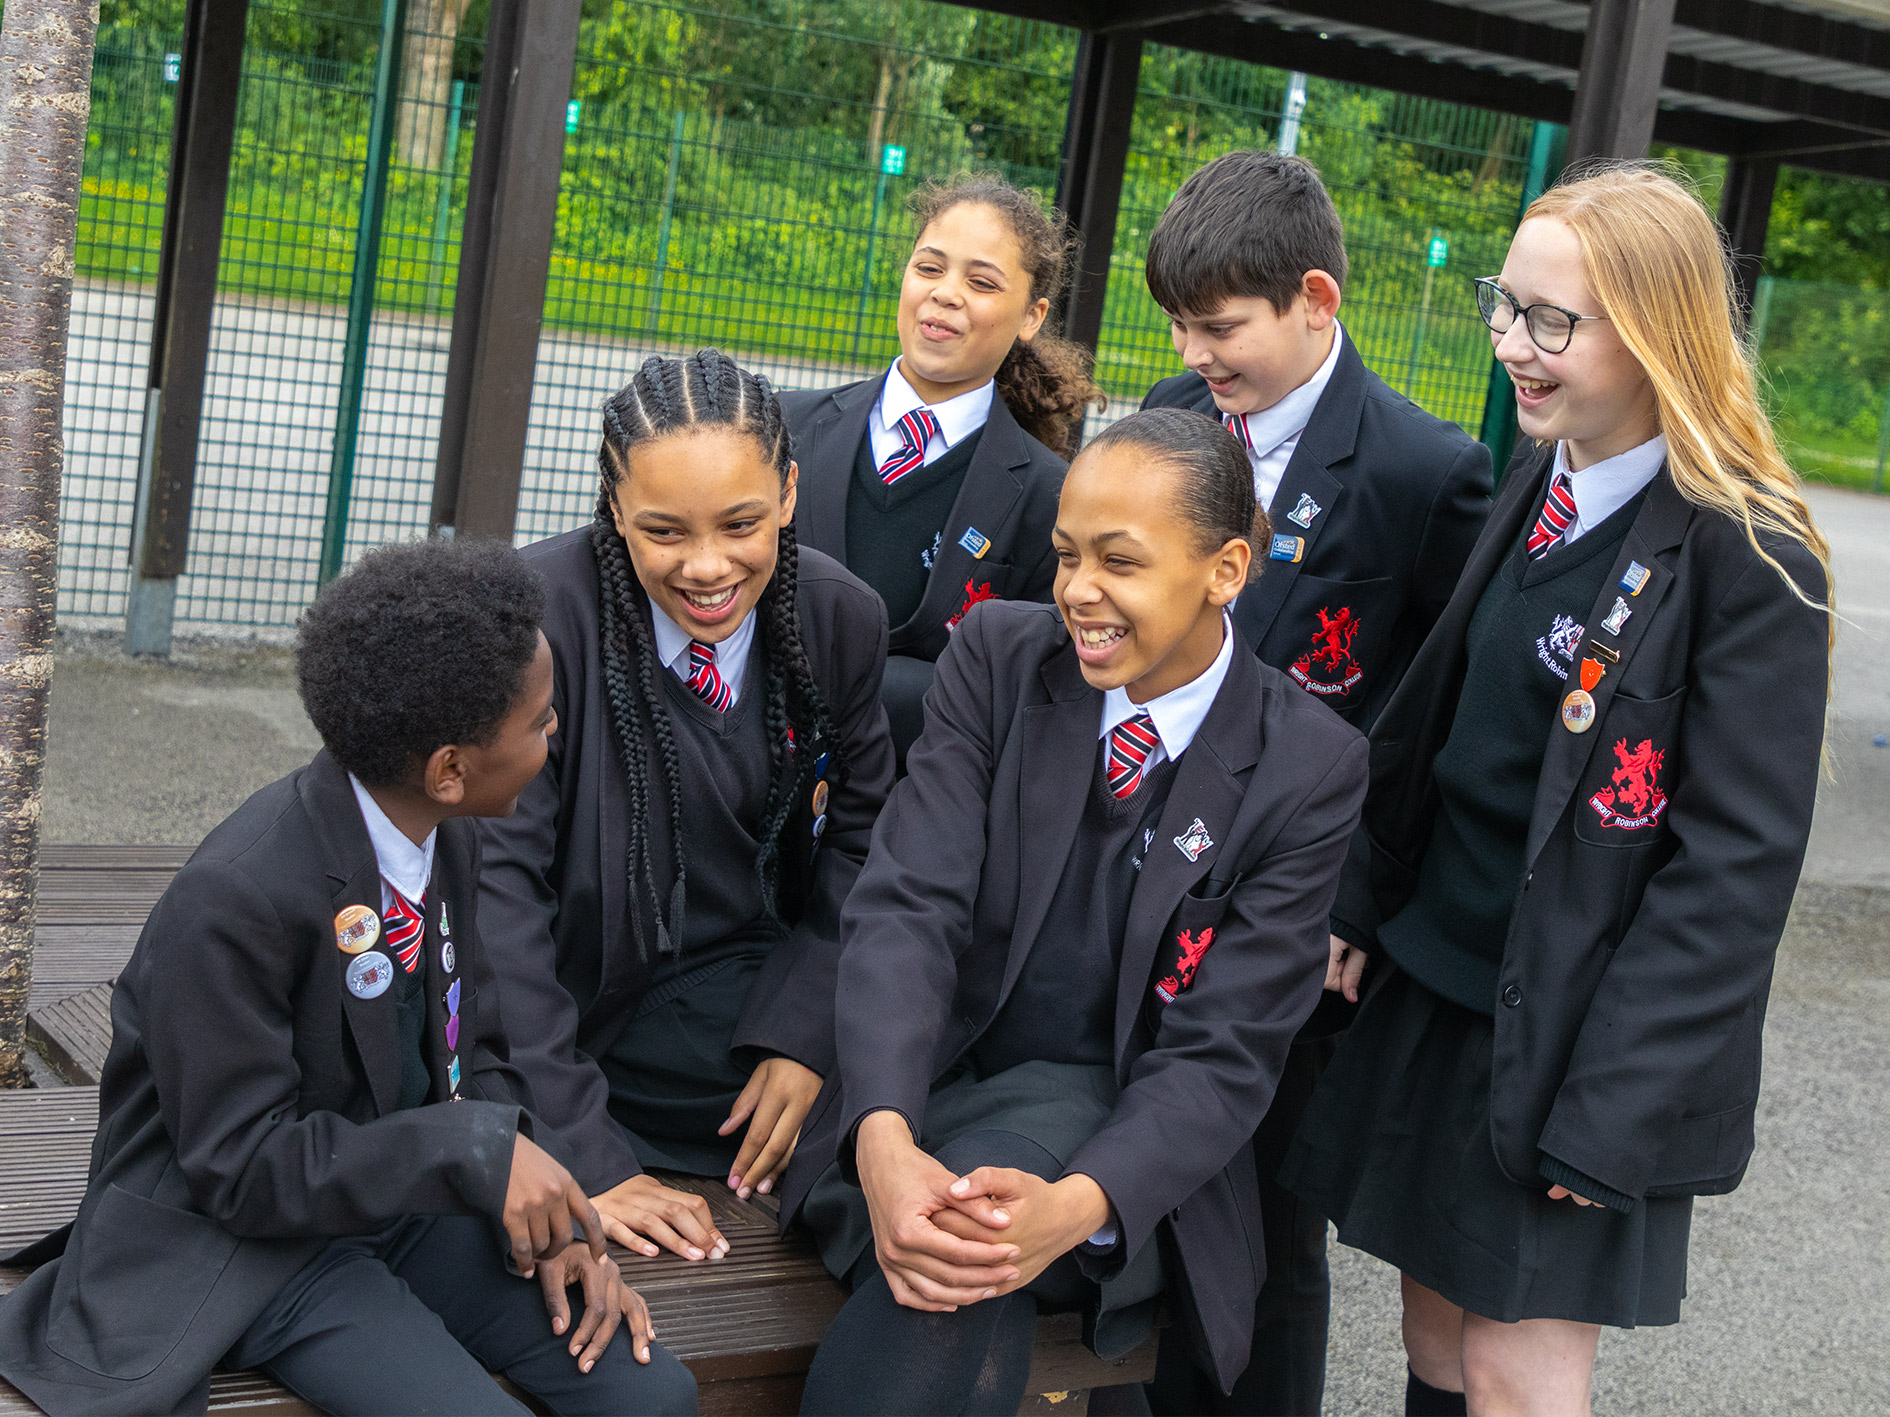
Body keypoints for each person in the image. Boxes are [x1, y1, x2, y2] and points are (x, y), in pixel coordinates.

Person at [1282, 164, 1833, 1417]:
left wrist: (1616, 1111)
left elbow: (1732, 876)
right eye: (1504, 304)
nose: (1508, 345)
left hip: (1574, 1042)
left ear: (1654, 332)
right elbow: (1441, 721)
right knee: (1432, 1330)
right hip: (1443, 986)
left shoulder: (1749, 552)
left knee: (1516, 1370)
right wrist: (1364, 902)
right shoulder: (1545, 472)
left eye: (1550, 321)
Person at [0, 540, 696, 1417]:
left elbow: (471, 1042)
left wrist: (547, 1212)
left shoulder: (451, 833)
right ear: (450, 768)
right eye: (541, 720)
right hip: (252, 1250)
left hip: (401, 1205)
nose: (556, 732)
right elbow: (243, 1168)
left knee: (651, 1395)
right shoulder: (234, 899)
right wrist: (473, 1154)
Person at [784, 407, 1369, 1417]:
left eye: (1120, 562)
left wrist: (1076, 1208)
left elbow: (1225, 1053)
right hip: (927, 1099)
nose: (1077, 593)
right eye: (1063, 554)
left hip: (1115, 1153)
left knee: (970, 1245)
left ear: (1226, 570)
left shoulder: (1307, 764)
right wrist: (881, 1135)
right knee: (971, 1263)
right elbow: (906, 904)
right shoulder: (1002, 659)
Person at [1138, 149, 1493, 1417]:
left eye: (1221, 325)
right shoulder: (1167, 417)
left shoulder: (1422, 470)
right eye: (1178, 322)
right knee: (1136, 1181)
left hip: (1298, 912)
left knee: (1269, 1226)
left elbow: (1438, 715)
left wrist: (1354, 895)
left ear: (1316, 301)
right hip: (1144, 880)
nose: (1196, 349)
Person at [477, 349, 896, 1264]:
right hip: (594, 1005)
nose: (708, 567)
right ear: (614, 503)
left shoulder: (838, 618)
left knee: (904, 1059)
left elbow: (866, 846)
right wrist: (585, 1154)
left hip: (762, 980)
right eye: (665, 531)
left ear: (789, 493)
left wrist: (807, 1031)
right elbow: (495, 903)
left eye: (741, 522)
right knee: (877, 1117)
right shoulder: (536, 621)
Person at [780, 173, 1105, 765]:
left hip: (913, 812)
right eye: (928, 268)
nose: (945, 293)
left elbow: (1031, 696)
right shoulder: (784, 427)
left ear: (1032, 316)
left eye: (980, 282)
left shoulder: (1050, 497)